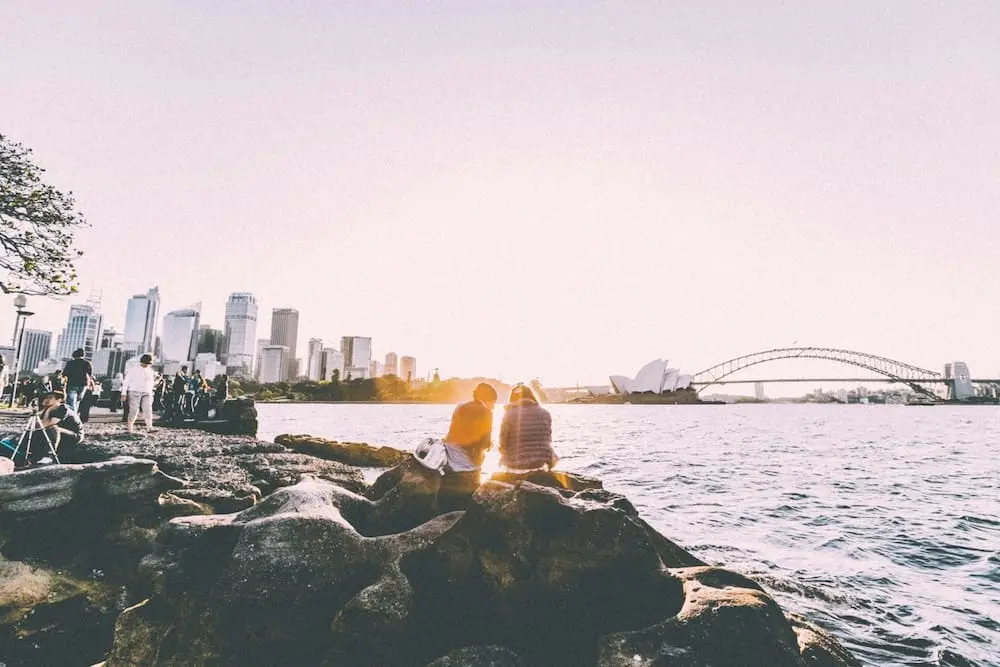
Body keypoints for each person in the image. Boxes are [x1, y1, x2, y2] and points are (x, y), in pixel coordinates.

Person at [439, 382, 498, 509]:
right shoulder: (487, 412)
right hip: (467, 468)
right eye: (493, 402)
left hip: (449, 460)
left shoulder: (459, 406)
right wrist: (490, 445)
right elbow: (485, 444)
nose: (493, 407)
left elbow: (453, 432)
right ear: (487, 400)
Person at [499, 383, 558, 471]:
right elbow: (548, 438)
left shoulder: (509, 414)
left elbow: (503, 441)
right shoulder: (545, 413)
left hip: (515, 463)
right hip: (540, 462)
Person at [30, 390, 85, 463]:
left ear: (59, 400)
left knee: (54, 428)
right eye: (46, 397)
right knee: (37, 433)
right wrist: (46, 410)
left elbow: (45, 425)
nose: (47, 399)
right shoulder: (46, 409)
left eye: (50, 398)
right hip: (58, 433)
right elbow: (35, 426)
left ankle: (49, 455)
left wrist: (48, 410)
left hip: (74, 434)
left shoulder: (62, 409)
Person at [123, 354, 157, 433]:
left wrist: (152, 391)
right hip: (134, 391)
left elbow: (151, 383)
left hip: (147, 392)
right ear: (141, 361)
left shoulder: (151, 371)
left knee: (148, 409)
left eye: (148, 363)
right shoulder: (133, 369)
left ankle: (149, 427)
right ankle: (130, 428)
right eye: (145, 363)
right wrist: (123, 393)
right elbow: (126, 381)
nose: (146, 365)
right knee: (134, 410)